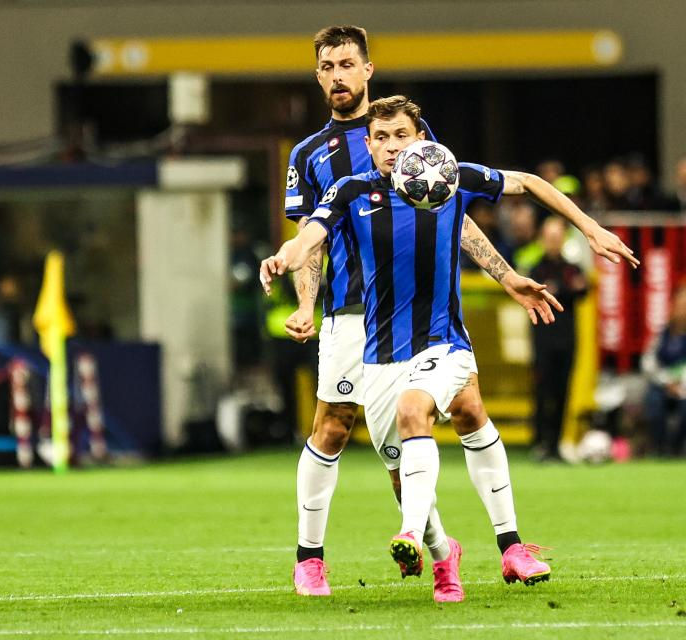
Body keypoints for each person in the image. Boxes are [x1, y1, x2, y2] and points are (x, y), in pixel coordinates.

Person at [264, 95, 638, 593]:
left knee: (428, 411)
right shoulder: (351, 188)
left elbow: (528, 182)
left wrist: (590, 228)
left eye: (401, 136)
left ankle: (471, 542)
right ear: (369, 145)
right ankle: (445, 554)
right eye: (381, 138)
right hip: (378, 354)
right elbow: (309, 233)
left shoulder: (449, 178)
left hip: (445, 343)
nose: (392, 147)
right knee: (401, 469)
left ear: (420, 138)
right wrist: (283, 258)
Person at [528, 218, 588, 461]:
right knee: (543, 393)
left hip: (567, 341)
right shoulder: (536, 269)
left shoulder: (572, 267)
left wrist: (560, 288)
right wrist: (566, 288)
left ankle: (557, 443)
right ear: (543, 238)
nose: (553, 241)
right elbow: (559, 291)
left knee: (563, 393)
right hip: (543, 342)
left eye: (557, 236)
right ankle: (541, 442)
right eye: (549, 236)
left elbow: (582, 290)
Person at [641, 285, 686, 457]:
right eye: (680, 306)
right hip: (663, 384)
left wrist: (681, 384)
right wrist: (666, 381)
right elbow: (648, 362)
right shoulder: (663, 334)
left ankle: (677, 448)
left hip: (683, 386)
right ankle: (659, 447)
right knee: (654, 400)